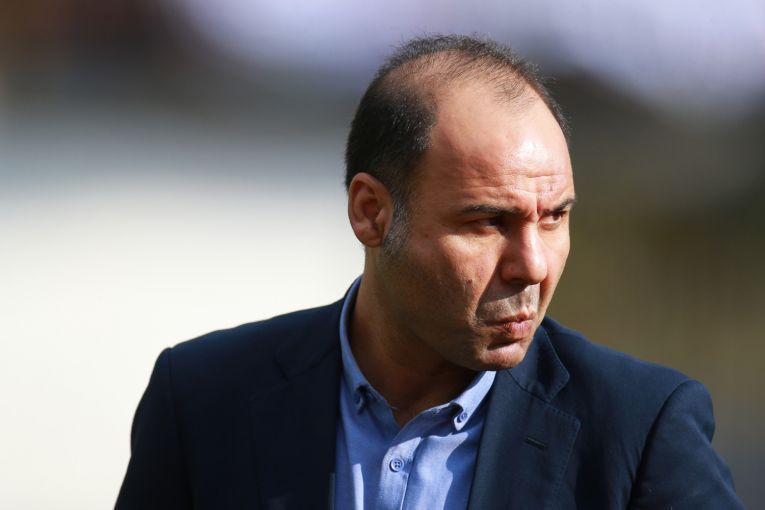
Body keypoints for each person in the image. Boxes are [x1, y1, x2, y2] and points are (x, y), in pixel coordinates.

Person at [115, 35, 743, 509]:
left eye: (554, 217)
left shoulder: (639, 427)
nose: (533, 264)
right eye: (488, 221)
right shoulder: (203, 401)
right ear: (371, 213)